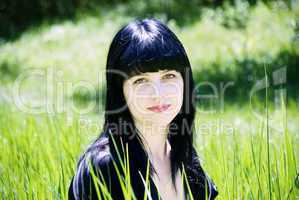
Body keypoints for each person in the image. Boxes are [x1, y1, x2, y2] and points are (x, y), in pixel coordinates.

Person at [68, 18, 218, 200]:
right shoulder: (103, 167)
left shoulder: (187, 161)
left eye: (169, 76)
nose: (158, 94)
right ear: (120, 91)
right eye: (140, 80)